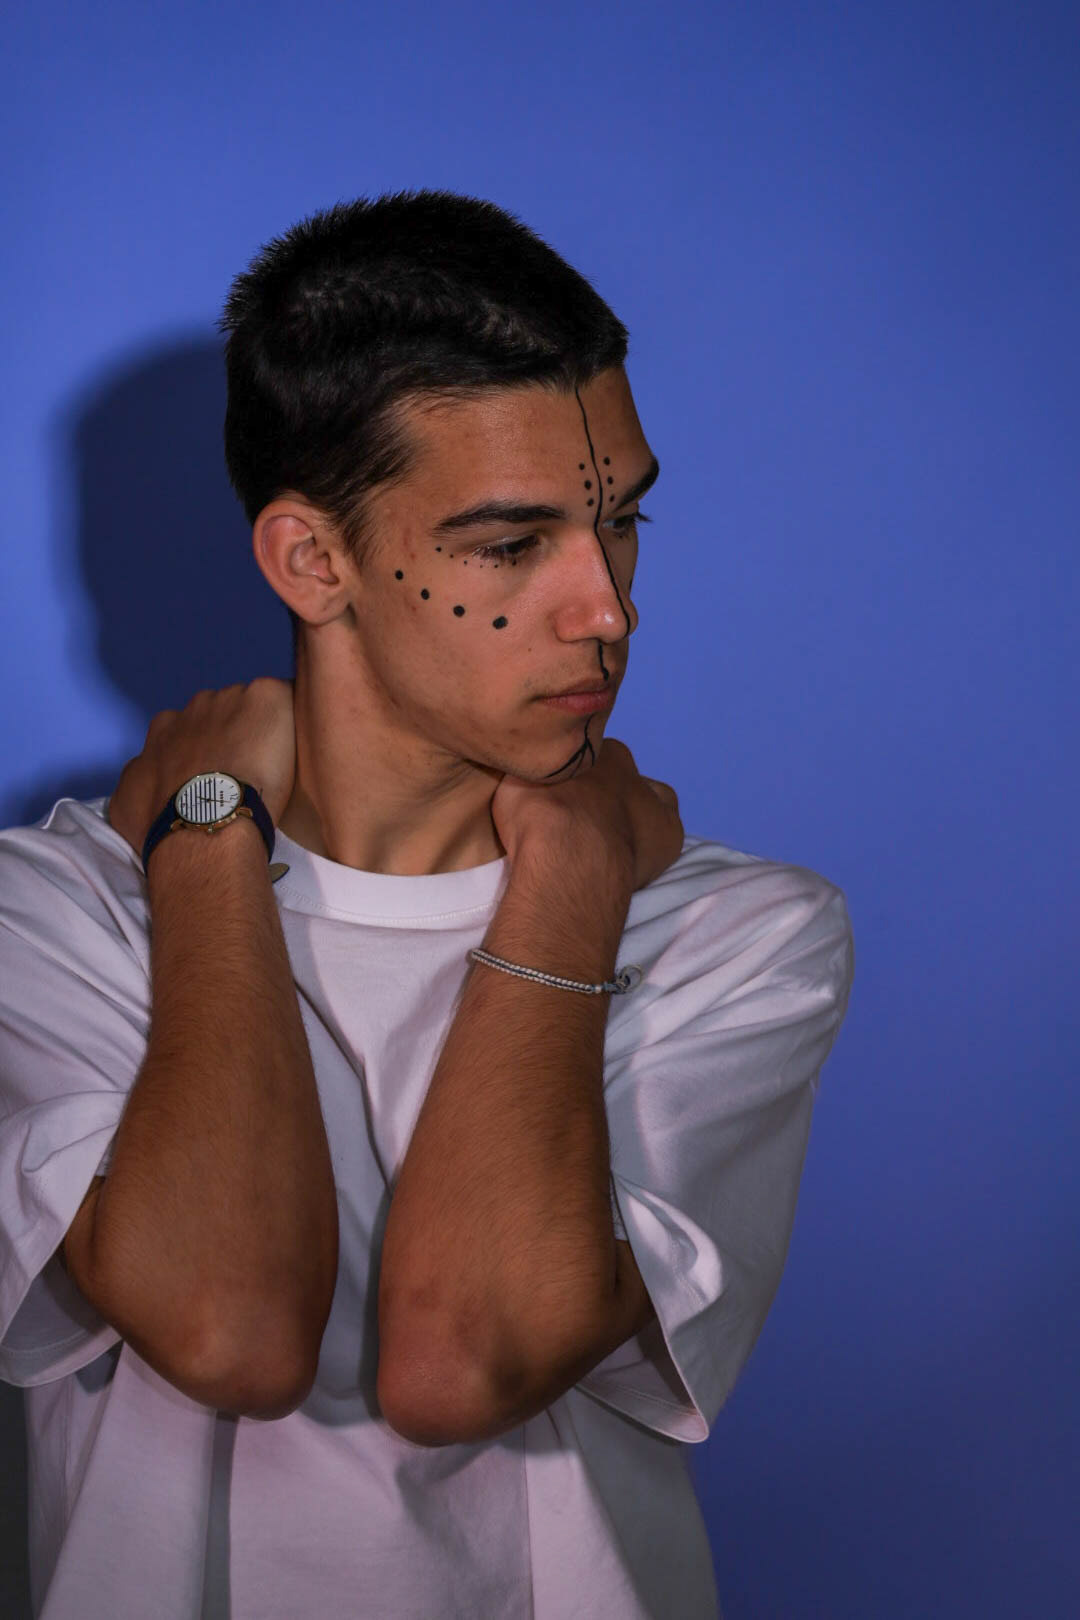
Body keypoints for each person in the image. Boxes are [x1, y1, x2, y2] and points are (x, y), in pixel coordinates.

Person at [0, 190, 855, 1620]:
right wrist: (208, 851)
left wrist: (570, 886)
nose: (608, 610)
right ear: (311, 561)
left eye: (622, 521)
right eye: (511, 546)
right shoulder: (51, 916)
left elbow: (467, 1356)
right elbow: (231, 1325)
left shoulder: (736, 934)